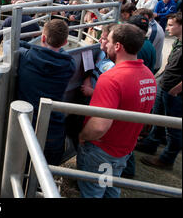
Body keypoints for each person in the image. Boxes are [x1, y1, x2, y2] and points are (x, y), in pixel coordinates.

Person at [77, 23, 157, 198]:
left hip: (102, 148)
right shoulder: (149, 77)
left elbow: (99, 126)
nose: (105, 45)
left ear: (118, 46)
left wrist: (83, 136)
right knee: (111, 189)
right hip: (124, 149)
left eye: (109, 41)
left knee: (93, 193)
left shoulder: (111, 78)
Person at [17, 19, 77, 165]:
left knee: (22, 171)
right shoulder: (69, 65)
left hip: (27, 127)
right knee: (45, 175)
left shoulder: (26, 57)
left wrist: (27, 44)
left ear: (43, 38)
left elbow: (11, 46)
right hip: (53, 131)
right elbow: (59, 53)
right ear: (65, 42)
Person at [137, 12, 182, 170]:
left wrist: (175, 90)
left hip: (174, 92)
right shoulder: (178, 42)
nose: (167, 28)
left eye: (171, 25)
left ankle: (167, 159)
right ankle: (151, 143)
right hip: (166, 87)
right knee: (159, 119)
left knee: (173, 127)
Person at [134, 8, 165, 74]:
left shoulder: (152, 31)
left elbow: (145, 50)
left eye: (140, 18)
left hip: (152, 64)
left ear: (147, 17)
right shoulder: (150, 24)